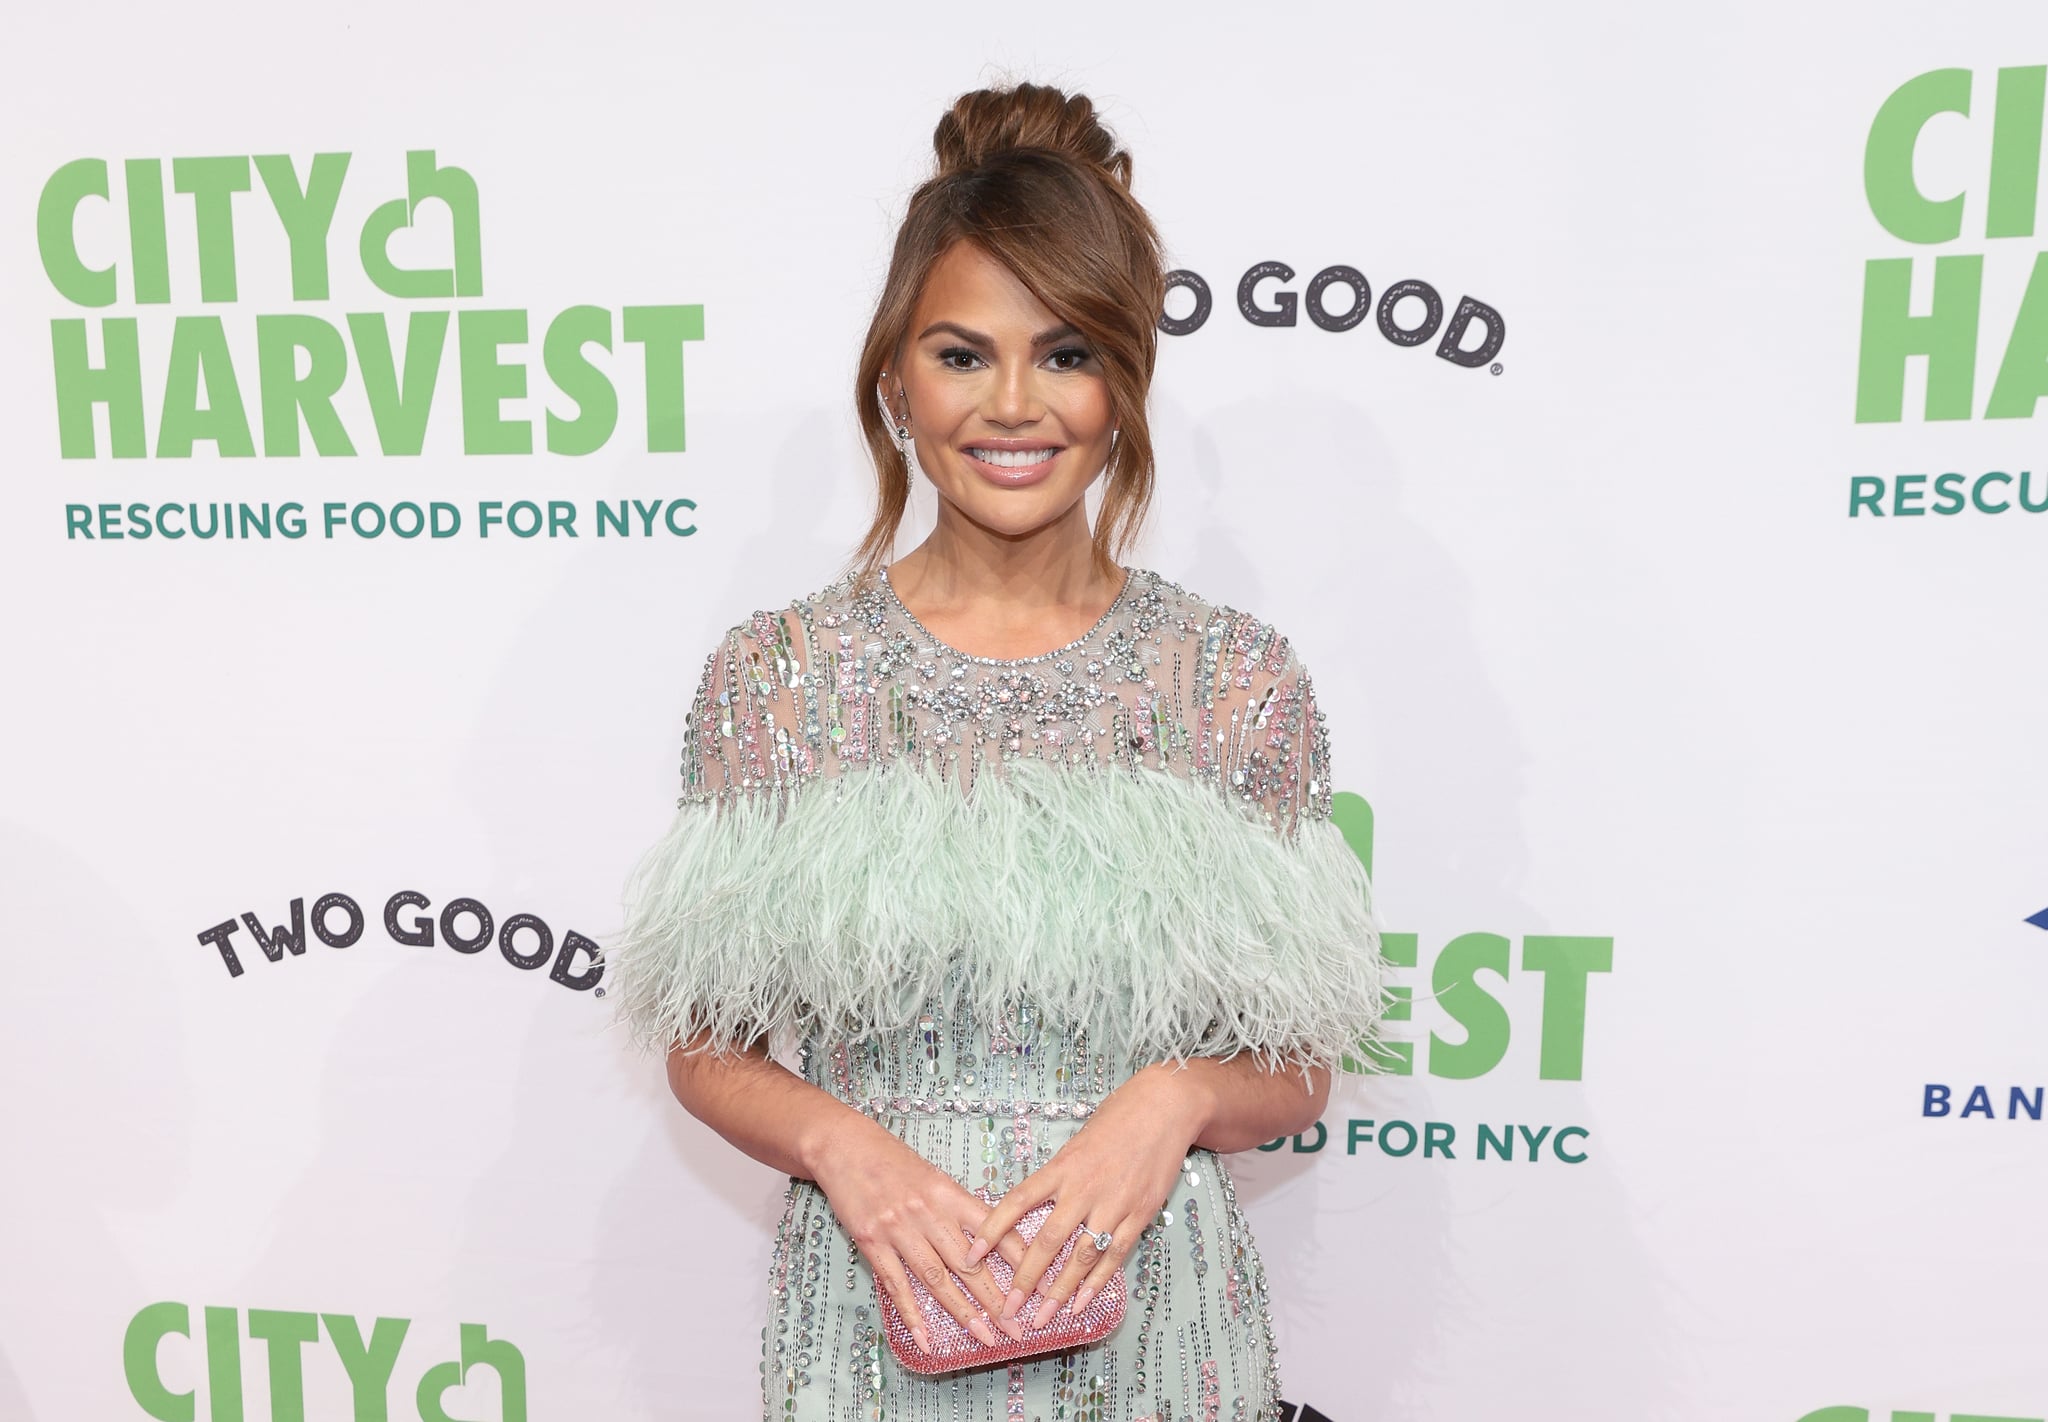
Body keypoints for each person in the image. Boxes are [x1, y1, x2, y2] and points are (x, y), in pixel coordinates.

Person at [602, 80, 1388, 1421]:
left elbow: (1300, 1068)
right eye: (963, 354)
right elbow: (706, 1046)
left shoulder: (1233, 682)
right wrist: (841, 1143)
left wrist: (1179, 1092)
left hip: (1159, 1319)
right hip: (871, 1307)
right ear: (896, 378)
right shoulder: (782, 678)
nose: (1014, 405)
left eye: (1067, 351)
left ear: (1125, 378)